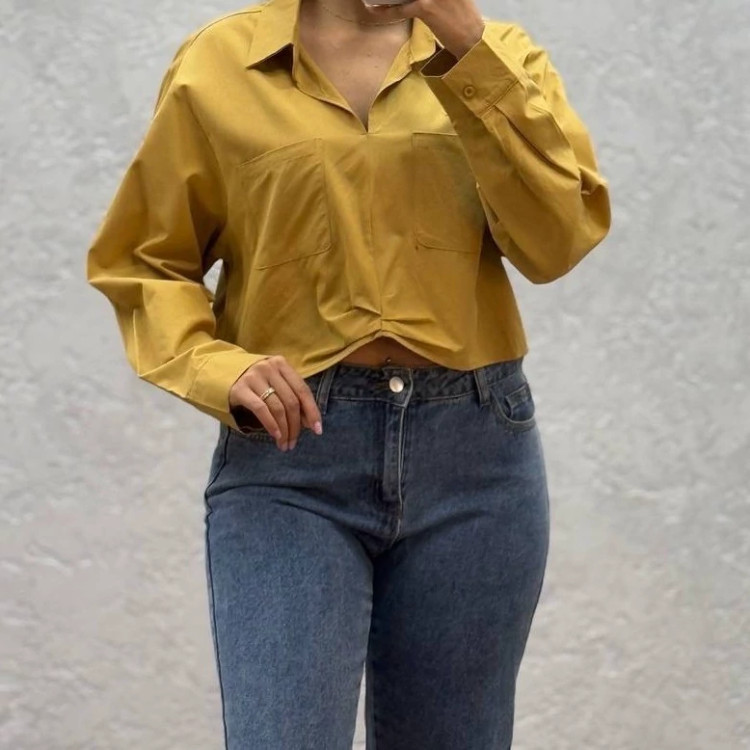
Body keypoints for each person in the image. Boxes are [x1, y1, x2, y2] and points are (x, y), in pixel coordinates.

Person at [86, 0, 611, 746]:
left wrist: (468, 49)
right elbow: (143, 260)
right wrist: (213, 366)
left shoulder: (502, 55)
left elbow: (557, 241)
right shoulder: (219, 64)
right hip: (292, 459)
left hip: (475, 461)